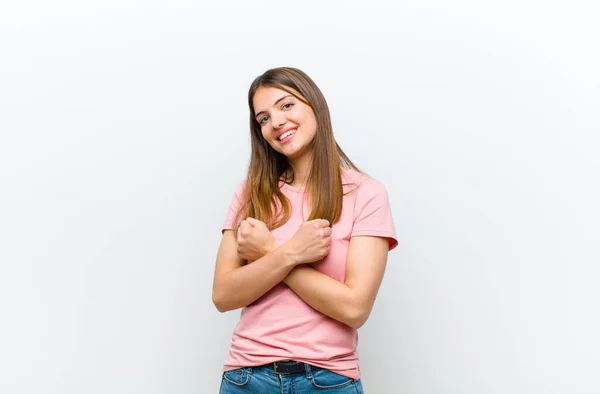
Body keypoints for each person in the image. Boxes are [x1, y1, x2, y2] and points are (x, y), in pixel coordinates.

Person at [212, 67, 398, 393]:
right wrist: (291, 253)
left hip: (328, 381)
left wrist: (270, 252)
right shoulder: (250, 192)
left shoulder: (366, 193)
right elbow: (223, 295)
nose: (276, 123)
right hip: (246, 379)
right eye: (263, 119)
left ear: (314, 105)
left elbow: (354, 308)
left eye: (286, 106)